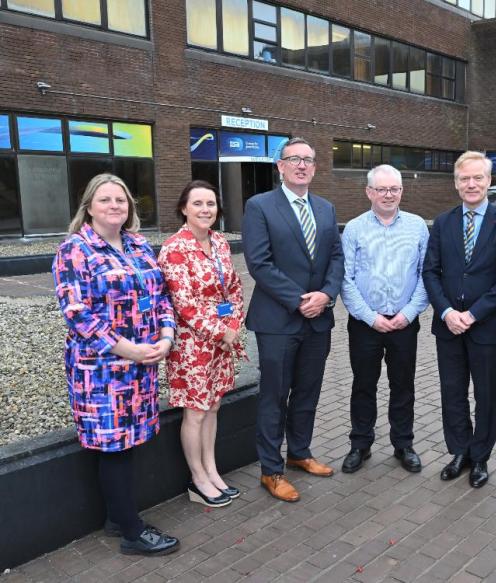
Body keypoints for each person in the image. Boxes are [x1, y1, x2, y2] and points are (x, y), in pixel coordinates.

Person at [52, 173, 179, 556]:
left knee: (130, 442)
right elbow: (77, 314)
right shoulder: (75, 250)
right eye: (105, 199)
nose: (114, 206)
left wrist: (166, 337)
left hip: (141, 365)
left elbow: (161, 298)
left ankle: (116, 517)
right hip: (101, 371)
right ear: (89, 207)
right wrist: (129, 349)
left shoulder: (138, 245)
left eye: (120, 200)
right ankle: (132, 532)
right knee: (113, 446)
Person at [242, 137, 344, 503]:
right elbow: (259, 263)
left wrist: (326, 295)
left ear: (315, 167)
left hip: (318, 320)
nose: (301, 165)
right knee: (275, 397)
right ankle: (271, 471)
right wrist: (300, 300)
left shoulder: (326, 208)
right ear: (280, 166)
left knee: (307, 392)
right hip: (278, 321)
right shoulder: (260, 206)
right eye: (294, 159)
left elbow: (336, 258)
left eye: (308, 160)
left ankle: (299, 452)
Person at [422, 151, 496, 488]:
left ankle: (480, 457)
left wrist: (473, 314)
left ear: (489, 181)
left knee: (486, 394)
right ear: (456, 183)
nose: (471, 184)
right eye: (464, 178)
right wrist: (447, 312)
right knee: (452, 392)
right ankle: (459, 451)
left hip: (488, 327)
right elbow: (430, 272)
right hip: (448, 325)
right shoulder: (443, 222)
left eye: (478, 177)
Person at [158, 180, 245, 508]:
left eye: (210, 203)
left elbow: (234, 288)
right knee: (195, 412)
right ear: (184, 208)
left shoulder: (220, 242)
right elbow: (184, 304)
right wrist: (221, 332)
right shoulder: (174, 249)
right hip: (192, 345)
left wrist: (233, 324)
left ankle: (212, 469)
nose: (205, 210)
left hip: (222, 341)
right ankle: (197, 478)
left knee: (214, 406)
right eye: (197, 203)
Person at [340, 165, 429, 474]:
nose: (388, 195)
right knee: (363, 385)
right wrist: (370, 317)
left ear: (401, 191)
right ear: (369, 192)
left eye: (394, 189)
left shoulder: (418, 227)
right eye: (382, 189)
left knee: (403, 385)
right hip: (365, 325)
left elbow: (426, 275)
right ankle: (360, 444)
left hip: (404, 323)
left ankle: (403, 444)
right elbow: (345, 279)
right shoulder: (354, 229)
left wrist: (408, 313)